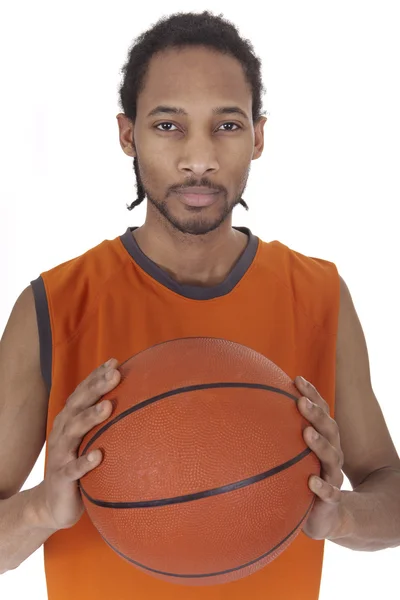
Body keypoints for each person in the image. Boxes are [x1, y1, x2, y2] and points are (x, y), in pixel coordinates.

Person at [0, 10, 399, 600]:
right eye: (167, 125)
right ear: (127, 134)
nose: (199, 158)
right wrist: (41, 508)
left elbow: (389, 489)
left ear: (258, 137)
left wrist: (339, 515)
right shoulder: (54, 305)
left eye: (227, 126)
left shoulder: (317, 294)